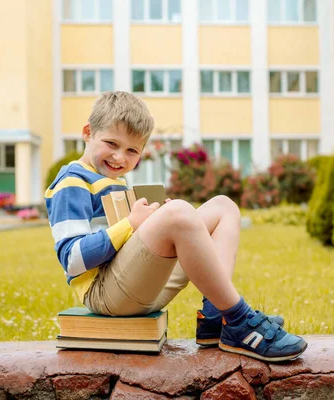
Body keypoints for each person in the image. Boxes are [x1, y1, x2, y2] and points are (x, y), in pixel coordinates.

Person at [45, 91, 308, 362]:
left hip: (134, 287)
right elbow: (72, 260)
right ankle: (240, 319)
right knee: (179, 213)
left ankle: (215, 318)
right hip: (104, 296)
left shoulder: (114, 179)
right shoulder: (72, 182)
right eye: (111, 143)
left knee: (223, 207)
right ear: (88, 133)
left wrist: (154, 221)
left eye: (132, 150)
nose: (120, 158)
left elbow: (128, 245)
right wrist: (133, 224)